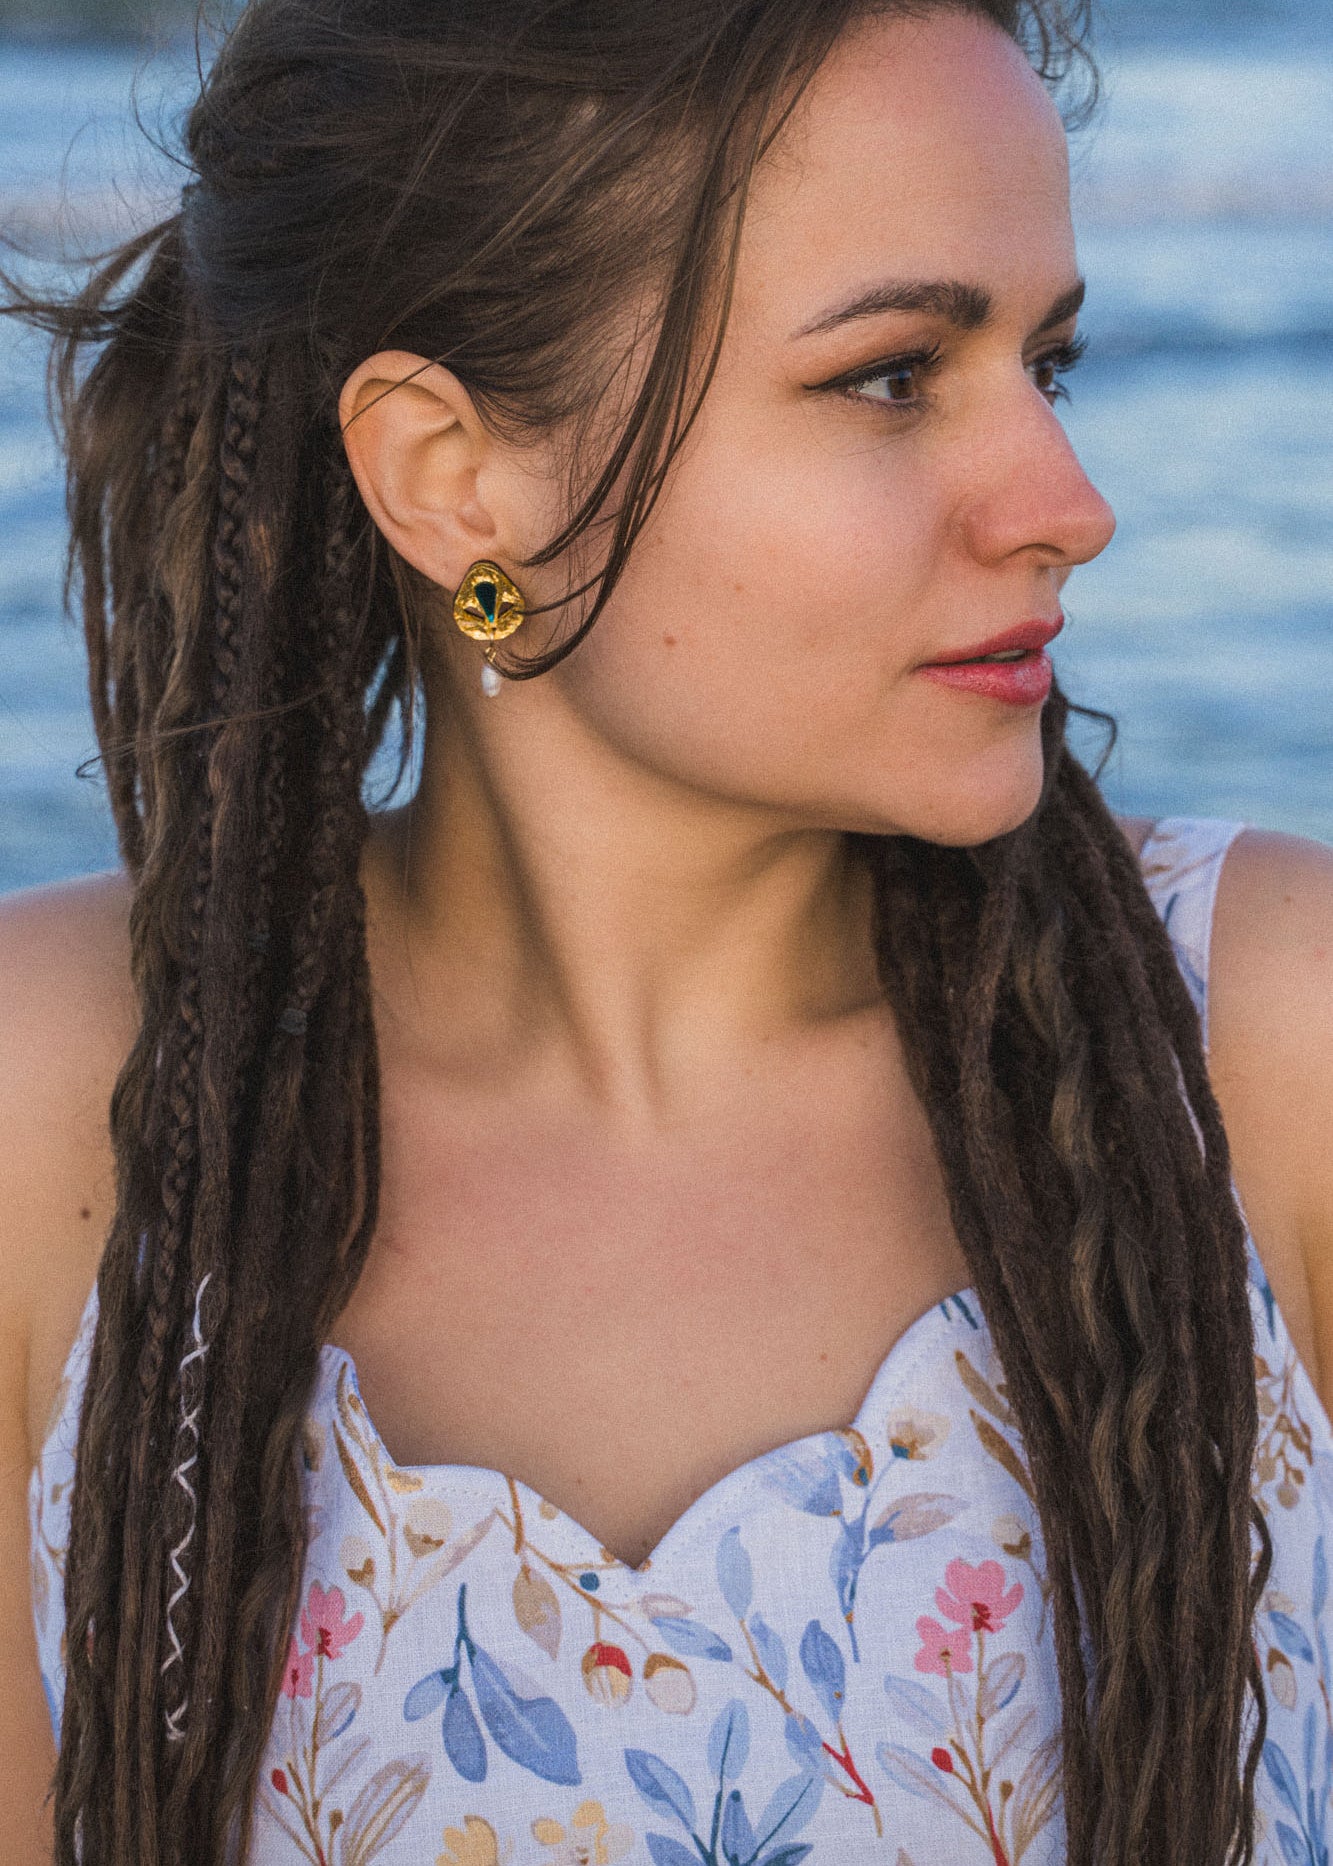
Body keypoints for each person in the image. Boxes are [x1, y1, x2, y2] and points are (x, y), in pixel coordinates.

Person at [1, 0, 1331, 1860]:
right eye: (891, 375)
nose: (1067, 506)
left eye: (1051, 360)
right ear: (455, 478)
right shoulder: (62, 1109)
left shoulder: (1263, 1047)